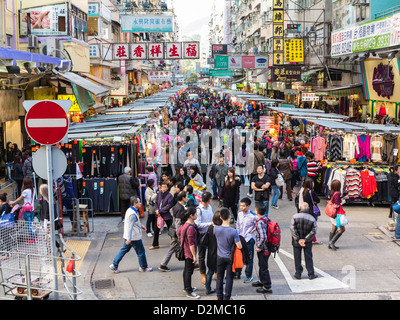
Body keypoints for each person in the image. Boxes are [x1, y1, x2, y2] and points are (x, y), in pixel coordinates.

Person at [110, 196, 152, 273]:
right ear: (135, 203)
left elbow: (135, 223)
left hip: (129, 236)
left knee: (124, 250)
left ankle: (114, 265)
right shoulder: (132, 214)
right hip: (134, 237)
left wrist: (142, 226)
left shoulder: (130, 210)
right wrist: (129, 238)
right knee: (141, 252)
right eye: (139, 202)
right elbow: (130, 227)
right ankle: (143, 267)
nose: (140, 203)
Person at [214, 207, 242, 300]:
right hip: (230, 258)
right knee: (229, 278)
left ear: (221, 218)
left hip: (220, 256)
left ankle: (219, 296)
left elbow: (213, 224)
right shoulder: (233, 231)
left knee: (219, 277)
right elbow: (239, 246)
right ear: (230, 217)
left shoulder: (216, 229)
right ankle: (227, 297)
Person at [159, 191, 188, 272]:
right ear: (182, 198)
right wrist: (179, 236)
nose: (187, 198)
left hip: (174, 231)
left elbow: (171, 211)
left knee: (174, 247)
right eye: (186, 197)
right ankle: (163, 264)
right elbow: (178, 223)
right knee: (172, 248)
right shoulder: (180, 208)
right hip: (176, 232)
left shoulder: (177, 206)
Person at [290, 202, 318, 280]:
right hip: (307, 242)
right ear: (308, 208)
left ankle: (298, 273)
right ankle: (311, 273)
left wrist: (298, 239)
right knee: (308, 257)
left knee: (297, 257)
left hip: (296, 241)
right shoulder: (312, 218)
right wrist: (305, 240)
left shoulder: (295, 217)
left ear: (300, 208)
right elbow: (313, 231)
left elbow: (293, 229)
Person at [177, 206, 200, 299]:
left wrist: (182, 240)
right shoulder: (190, 227)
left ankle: (187, 287)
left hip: (185, 250)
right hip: (189, 252)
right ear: (191, 215)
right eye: (196, 213)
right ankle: (188, 291)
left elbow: (178, 233)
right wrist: (194, 256)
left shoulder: (184, 224)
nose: (197, 215)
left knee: (186, 270)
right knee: (189, 271)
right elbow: (191, 243)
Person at [252, 204, 273, 294]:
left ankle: (267, 286)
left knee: (263, 267)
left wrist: (259, 247)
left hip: (264, 249)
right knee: (261, 265)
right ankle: (262, 281)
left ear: (257, 211)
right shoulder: (265, 218)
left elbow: (263, 237)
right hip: (267, 247)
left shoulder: (260, 222)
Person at [236, 197, 257, 283]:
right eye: (241, 206)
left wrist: (255, 229)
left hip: (249, 240)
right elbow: (237, 225)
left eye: (244, 206)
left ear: (248, 206)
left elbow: (259, 224)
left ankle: (249, 275)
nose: (242, 208)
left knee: (249, 258)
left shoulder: (253, 216)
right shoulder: (239, 214)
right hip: (240, 239)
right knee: (238, 257)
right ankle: (238, 273)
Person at [195, 191, 214, 285]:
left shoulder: (209, 207)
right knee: (202, 256)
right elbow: (197, 224)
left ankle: (214, 271)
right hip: (202, 235)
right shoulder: (199, 210)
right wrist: (210, 224)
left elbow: (212, 218)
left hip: (210, 233)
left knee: (212, 253)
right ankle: (203, 273)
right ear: (209, 200)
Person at [202, 211, 222, 295]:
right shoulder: (220, 229)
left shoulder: (210, 228)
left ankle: (208, 288)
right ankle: (219, 288)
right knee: (219, 273)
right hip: (219, 253)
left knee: (210, 271)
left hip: (210, 253)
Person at [150, 181, 175, 250]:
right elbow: (156, 203)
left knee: (170, 229)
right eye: (162, 187)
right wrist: (157, 209)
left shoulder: (169, 195)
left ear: (167, 188)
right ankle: (155, 244)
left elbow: (169, 206)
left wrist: (160, 210)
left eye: (165, 187)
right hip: (159, 215)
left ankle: (174, 244)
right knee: (156, 230)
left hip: (166, 214)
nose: (163, 188)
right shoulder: (159, 194)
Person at [328, 179, 348, 250]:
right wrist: (343, 201)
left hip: (332, 213)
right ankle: (331, 242)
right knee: (342, 229)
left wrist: (342, 199)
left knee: (334, 228)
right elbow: (337, 205)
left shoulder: (332, 192)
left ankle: (330, 243)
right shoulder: (337, 194)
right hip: (337, 214)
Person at [302, 178, 321, 244]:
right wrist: (315, 201)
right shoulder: (311, 192)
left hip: (306, 209)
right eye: (312, 183)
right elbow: (318, 200)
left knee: (309, 225)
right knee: (313, 225)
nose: (313, 184)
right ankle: (312, 239)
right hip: (312, 211)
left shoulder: (304, 191)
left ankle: (309, 238)